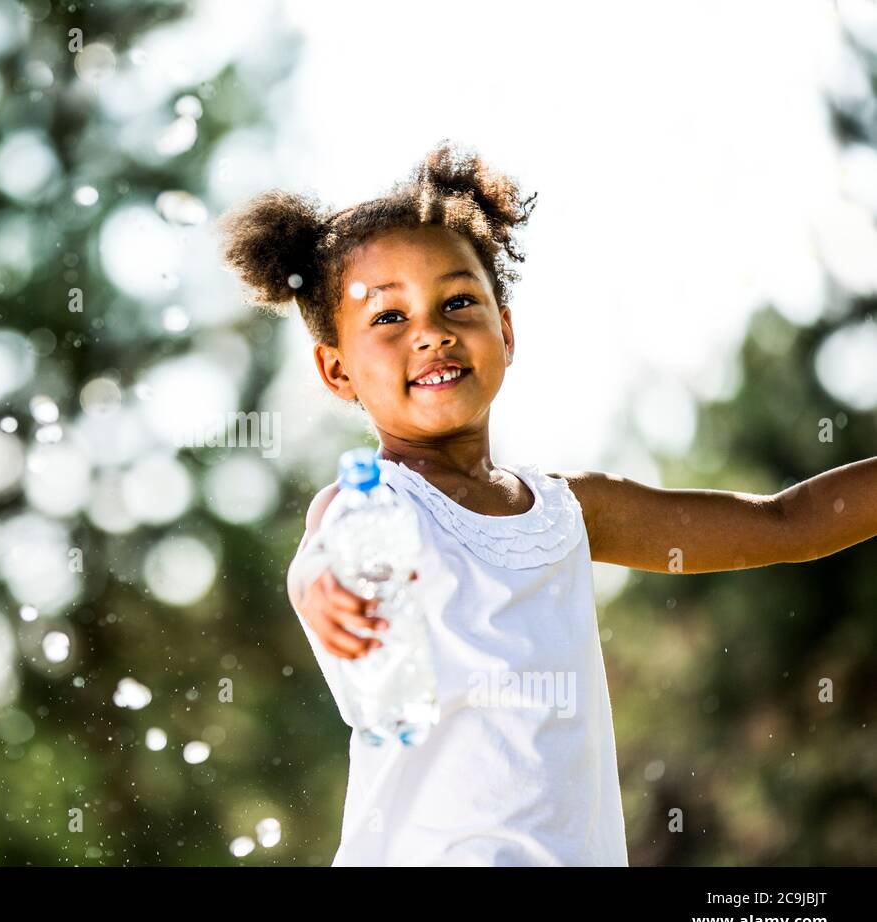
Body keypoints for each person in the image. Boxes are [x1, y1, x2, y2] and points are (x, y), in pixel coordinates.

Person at [215, 138, 877, 866]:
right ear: (336, 370)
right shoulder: (378, 505)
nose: (432, 331)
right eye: (389, 318)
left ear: (504, 328)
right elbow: (323, 554)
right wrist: (320, 586)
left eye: (458, 301)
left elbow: (786, 524)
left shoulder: (569, 511)